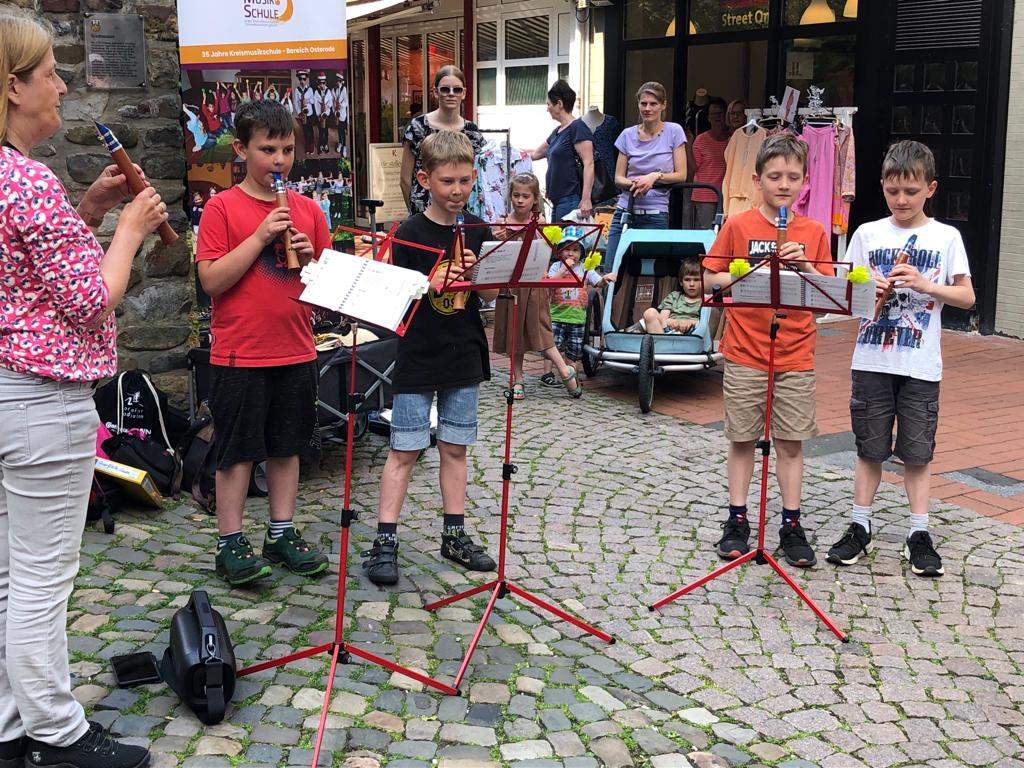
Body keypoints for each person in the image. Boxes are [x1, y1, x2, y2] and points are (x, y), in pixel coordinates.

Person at [0, 9, 168, 768]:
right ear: (12, 88)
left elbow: (25, 276)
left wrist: (93, 210)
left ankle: (8, 727)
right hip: (42, 405)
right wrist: (130, 229)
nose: (61, 85)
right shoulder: (25, 178)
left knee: (10, 575)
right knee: (42, 580)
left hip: (7, 395)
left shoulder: (15, 183)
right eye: (47, 75)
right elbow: (86, 299)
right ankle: (58, 736)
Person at [196, 100, 332, 587]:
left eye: (288, 150)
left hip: (295, 347)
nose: (279, 160)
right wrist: (258, 239)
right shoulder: (221, 208)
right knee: (236, 450)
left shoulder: (310, 210)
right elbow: (212, 281)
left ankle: (281, 531)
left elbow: (325, 289)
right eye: (267, 149)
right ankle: (230, 541)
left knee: (287, 445)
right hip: (240, 352)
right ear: (241, 149)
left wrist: (312, 259)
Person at [826, 141, 975, 577]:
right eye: (893, 191)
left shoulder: (946, 237)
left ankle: (919, 532)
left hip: (920, 364)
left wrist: (927, 285)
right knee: (869, 449)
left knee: (917, 452)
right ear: (883, 187)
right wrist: (864, 290)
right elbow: (843, 301)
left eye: (910, 191)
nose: (901, 200)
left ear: (931, 188)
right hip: (871, 359)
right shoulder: (867, 234)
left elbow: (967, 297)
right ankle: (860, 525)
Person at [362, 130, 499, 586]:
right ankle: (385, 539)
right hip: (419, 353)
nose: (458, 190)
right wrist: (429, 282)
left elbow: (493, 295)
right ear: (425, 179)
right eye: (447, 182)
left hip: (463, 350)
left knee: (455, 447)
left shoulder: (478, 229)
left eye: (464, 180)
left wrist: (480, 277)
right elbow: (393, 300)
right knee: (405, 449)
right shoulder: (408, 234)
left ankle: (454, 532)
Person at [702, 134, 832, 568]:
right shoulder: (738, 225)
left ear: (805, 182)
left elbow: (826, 297)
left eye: (793, 177)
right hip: (745, 350)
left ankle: (791, 524)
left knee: (791, 443)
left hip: (795, 352)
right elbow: (708, 282)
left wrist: (806, 268)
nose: (783, 184)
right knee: (742, 439)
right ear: (756, 180)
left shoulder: (813, 232)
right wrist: (750, 272)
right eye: (774, 176)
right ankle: (737, 519)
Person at [491, 172, 579, 399]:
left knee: (541, 329)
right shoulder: (502, 221)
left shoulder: (539, 221)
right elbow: (496, 255)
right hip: (510, 283)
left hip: (533, 282)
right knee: (515, 333)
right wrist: (497, 239)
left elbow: (544, 252)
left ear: (534, 199)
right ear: (510, 195)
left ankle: (564, 369)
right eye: (516, 195)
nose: (520, 200)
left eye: (525, 196)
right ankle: (517, 379)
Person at [603, 81, 687, 271]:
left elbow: (681, 175)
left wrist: (654, 177)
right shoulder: (627, 134)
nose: (647, 108)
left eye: (653, 104)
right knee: (611, 270)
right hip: (625, 211)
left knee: (651, 272)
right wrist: (637, 183)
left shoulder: (674, 131)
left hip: (655, 213)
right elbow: (618, 178)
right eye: (643, 103)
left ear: (663, 105)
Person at [401, 65, 485, 215]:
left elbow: (478, 177)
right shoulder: (418, 127)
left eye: (457, 89)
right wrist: (415, 213)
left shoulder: (472, 132)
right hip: (423, 210)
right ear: (435, 92)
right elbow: (405, 179)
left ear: (464, 93)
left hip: (460, 210)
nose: (451, 94)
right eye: (445, 89)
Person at [545, 225, 614, 388]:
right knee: (552, 346)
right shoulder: (556, 267)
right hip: (557, 315)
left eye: (575, 250)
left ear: (581, 253)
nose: (571, 253)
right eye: (567, 249)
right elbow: (550, 284)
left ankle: (570, 374)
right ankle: (547, 373)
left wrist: (606, 279)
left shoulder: (585, 269)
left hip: (577, 317)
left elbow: (598, 282)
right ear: (560, 250)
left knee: (573, 351)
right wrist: (564, 268)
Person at [530, 80, 596, 221]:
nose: (547, 108)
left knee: (566, 242)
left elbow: (589, 163)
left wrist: (586, 199)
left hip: (571, 199)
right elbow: (535, 154)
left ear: (559, 104)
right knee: (554, 241)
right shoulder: (557, 132)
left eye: (549, 104)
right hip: (557, 200)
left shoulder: (577, 127)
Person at [689, 97, 730, 229]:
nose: (718, 117)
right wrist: (687, 145)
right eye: (714, 114)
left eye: (721, 113)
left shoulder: (734, 138)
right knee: (707, 231)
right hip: (704, 194)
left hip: (727, 194)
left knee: (725, 232)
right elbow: (694, 167)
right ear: (708, 118)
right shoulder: (701, 140)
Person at [640, 257, 703, 334]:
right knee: (649, 313)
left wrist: (688, 322)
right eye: (687, 280)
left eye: (696, 280)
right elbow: (663, 319)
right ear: (681, 282)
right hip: (668, 331)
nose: (692, 284)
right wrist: (675, 322)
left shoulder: (705, 301)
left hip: (692, 332)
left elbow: (705, 323)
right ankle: (662, 343)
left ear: (703, 282)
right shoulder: (674, 296)